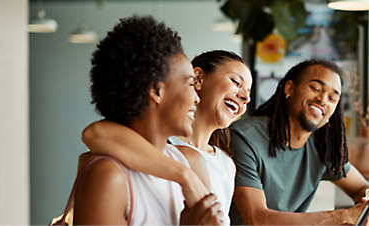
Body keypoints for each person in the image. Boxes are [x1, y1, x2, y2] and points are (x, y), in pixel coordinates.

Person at [73, 15, 223, 226]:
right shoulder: (109, 177)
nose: (197, 97)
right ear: (156, 90)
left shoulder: (191, 163)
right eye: (190, 84)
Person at [81, 50, 252, 225]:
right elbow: (95, 133)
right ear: (198, 78)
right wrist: (186, 176)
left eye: (248, 94)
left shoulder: (222, 163)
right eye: (236, 82)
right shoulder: (150, 148)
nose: (246, 98)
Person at [228, 59, 369, 226]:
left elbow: (361, 188)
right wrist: (346, 216)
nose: (323, 100)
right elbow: (257, 219)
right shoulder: (244, 138)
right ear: (290, 88)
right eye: (316, 88)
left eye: (332, 99)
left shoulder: (322, 145)